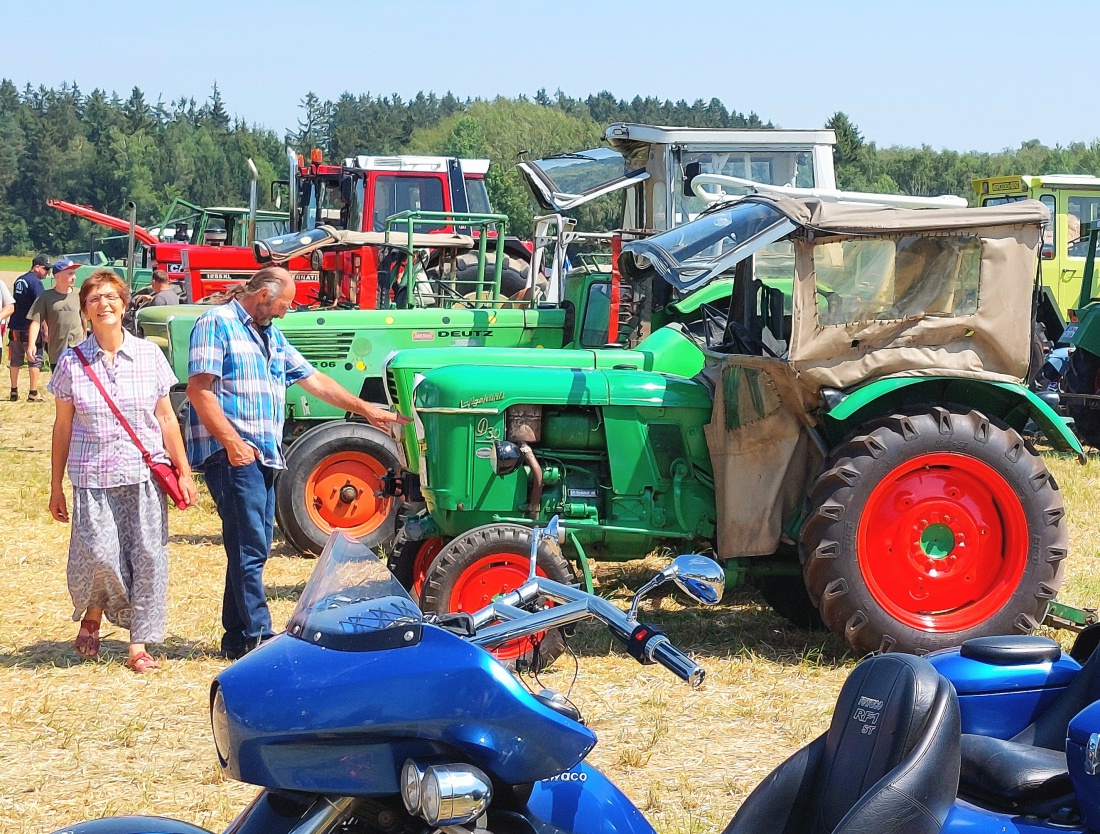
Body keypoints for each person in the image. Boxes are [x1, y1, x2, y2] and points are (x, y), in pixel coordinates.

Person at [185, 266, 410, 660]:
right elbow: (199, 390)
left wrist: (366, 410)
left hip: (265, 452)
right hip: (236, 452)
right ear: (262, 296)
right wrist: (232, 443)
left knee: (248, 544)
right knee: (252, 546)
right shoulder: (215, 323)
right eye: (284, 304)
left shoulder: (269, 332)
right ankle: (258, 636)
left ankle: (236, 636)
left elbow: (313, 379)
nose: (286, 312)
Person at [47, 269, 198, 672]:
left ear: (125, 304)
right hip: (92, 477)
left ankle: (138, 644)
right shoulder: (71, 363)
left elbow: (166, 419)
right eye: (95, 298)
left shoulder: (149, 356)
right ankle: (94, 610)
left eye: (112, 296)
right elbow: (62, 426)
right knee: (100, 555)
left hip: (143, 476)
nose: (105, 304)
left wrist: (183, 471)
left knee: (147, 558)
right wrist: (55, 486)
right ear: (85, 311)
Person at [27, 258, 86, 369]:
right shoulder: (46, 297)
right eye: (70, 274)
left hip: (79, 350)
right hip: (58, 351)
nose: (74, 277)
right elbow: (36, 322)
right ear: (57, 276)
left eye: (74, 273)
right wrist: (31, 345)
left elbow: (84, 319)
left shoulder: (80, 294)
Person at [8, 253, 49, 401]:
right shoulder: (36, 283)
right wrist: (45, 328)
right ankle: (33, 392)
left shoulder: (20, 280)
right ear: (36, 267)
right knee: (35, 359)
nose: (47, 273)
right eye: (46, 269)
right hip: (30, 326)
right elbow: (40, 308)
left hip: (14, 326)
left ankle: (13, 390)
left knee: (15, 360)